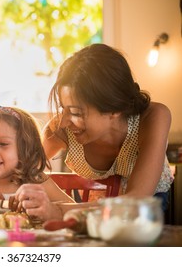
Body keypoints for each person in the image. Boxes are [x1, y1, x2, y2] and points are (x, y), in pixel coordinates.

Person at [13, 43, 174, 222]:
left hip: (148, 211)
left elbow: (136, 201)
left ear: (115, 108)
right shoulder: (60, 130)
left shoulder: (154, 117)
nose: (64, 121)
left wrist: (59, 210)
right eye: (62, 108)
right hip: (91, 209)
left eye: (75, 112)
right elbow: (24, 171)